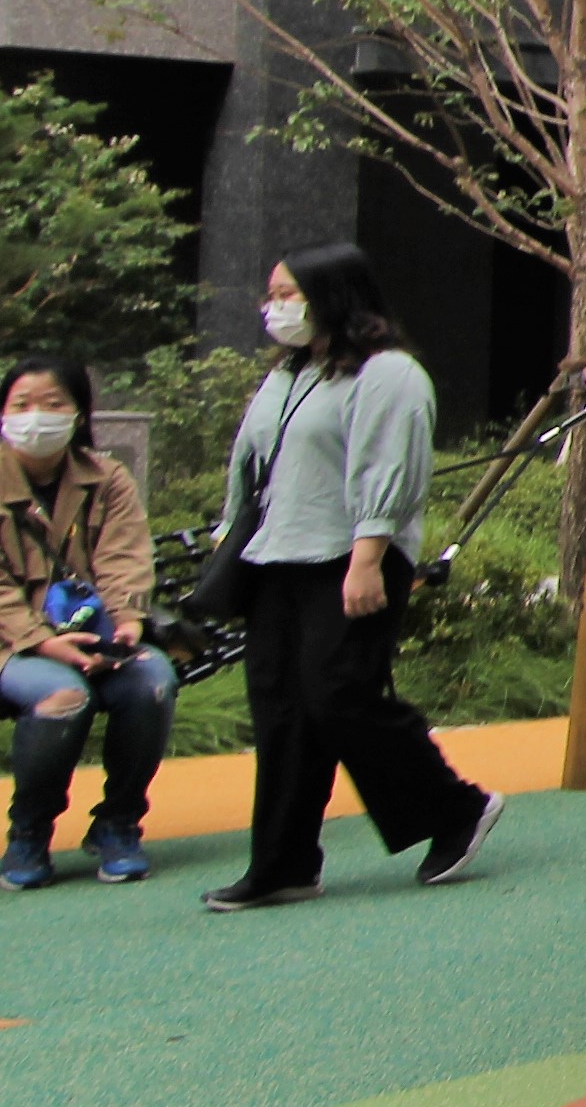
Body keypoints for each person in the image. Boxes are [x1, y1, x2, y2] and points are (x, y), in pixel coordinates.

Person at [204, 245, 500, 911]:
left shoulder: (387, 374)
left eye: (288, 294)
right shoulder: (289, 374)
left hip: (350, 557)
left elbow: (389, 466)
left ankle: (455, 807)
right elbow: (250, 464)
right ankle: (281, 863)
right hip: (275, 560)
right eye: (271, 295)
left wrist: (367, 558)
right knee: (282, 709)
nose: (274, 308)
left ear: (331, 295)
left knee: (339, 693)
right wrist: (229, 540)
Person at [0, 361, 176, 890]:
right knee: (63, 696)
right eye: (21, 404)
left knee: (152, 681)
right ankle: (30, 831)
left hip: (92, 628)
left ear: (79, 414)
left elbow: (124, 555)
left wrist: (127, 622)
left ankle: (119, 822)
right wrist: (42, 641)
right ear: (1, 415)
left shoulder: (107, 479)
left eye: (53, 403)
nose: (36, 416)